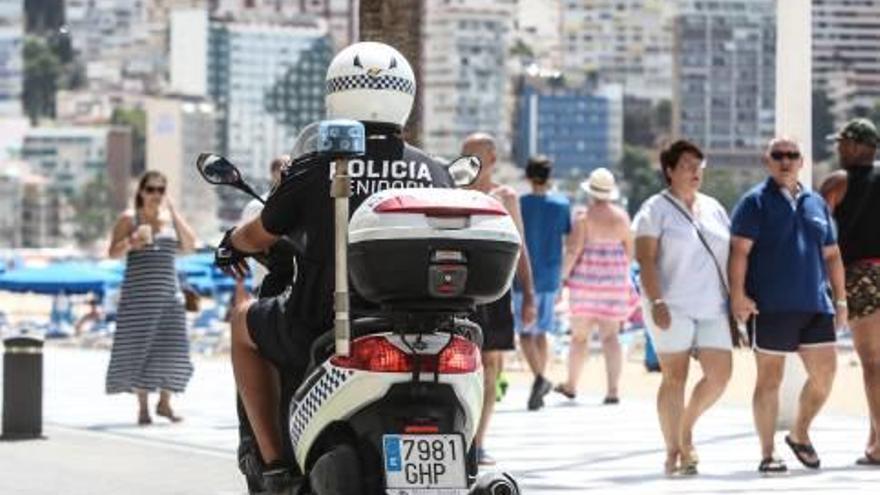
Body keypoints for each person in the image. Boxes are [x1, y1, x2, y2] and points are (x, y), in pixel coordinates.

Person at [218, 42, 455, 491]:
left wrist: (231, 242)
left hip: (323, 324)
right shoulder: (435, 172)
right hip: (425, 330)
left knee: (242, 324)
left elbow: (259, 234)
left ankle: (272, 467)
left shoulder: (319, 166)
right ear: (406, 94)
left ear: (336, 95)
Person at [730, 137, 846, 474]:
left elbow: (833, 254)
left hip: (816, 305)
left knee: (825, 375)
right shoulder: (754, 202)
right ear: (767, 161)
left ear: (802, 161)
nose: (785, 161)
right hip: (770, 306)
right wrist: (738, 295)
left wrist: (840, 300)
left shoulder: (816, 203)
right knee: (769, 380)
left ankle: (799, 433)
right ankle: (768, 453)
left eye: (791, 155)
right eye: (778, 156)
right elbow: (739, 251)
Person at [632, 140, 733, 476]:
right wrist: (656, 300)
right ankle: (675, 449)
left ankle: (685, 428)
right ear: (670, 171)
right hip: (670, 304)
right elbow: (645, 258)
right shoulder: (654, 209)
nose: (695, 171)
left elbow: (729, 257)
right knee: (675, 378)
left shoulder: (714, 207)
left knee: (720, 375)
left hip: (712, 305)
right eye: (687, 165)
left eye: (699, 165)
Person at [462, 133, 537, 466]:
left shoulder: (505, 197)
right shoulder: (452, 195)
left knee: (491, 366)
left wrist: (530, 294)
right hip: (461, 291)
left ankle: (478, 442)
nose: (470, 163)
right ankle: (460, 438)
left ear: (492, 159)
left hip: (495, 291)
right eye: (465, 156)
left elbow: (520, 248)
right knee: (464, 364)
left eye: (476, 156)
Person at [106, 170, 197, 425]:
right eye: (151, 189)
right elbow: (112, 253)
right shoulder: (129, 218)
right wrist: (130, 243)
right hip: (138, 297)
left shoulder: (169, 221)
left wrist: (174, 212)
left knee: (173, 350)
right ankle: (143, 408)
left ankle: (165, 404)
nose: (155, 195)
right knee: (140, 350)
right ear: (141, 192)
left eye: (160, 190)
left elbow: (190, 245)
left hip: (170, 295)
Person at [819, 118, 880, 466]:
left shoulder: (838, 182)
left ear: (859, 146)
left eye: (843, 143)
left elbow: (815, 229)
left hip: (860, 274)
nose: (839, 149)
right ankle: (873, 437)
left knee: (872, 363)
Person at [559, 167, 636, 405]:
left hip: (585, 283)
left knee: (579, 338)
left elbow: (573, 250)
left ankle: (571, 385)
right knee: (611, 338)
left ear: (591, 192)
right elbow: (630, 252)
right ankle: (613, 390)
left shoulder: (583, 217)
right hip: (614, 284)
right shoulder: (622, 217)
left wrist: (563, 278)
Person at [515, 155, 570, 410]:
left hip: (523, 277)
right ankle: (540, 378)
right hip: (549, 276)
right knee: (541, 332)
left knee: (525, 332)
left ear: (528, 176)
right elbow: (567, 239)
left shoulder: (518, 204)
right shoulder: (561, 205)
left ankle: (539, 378)